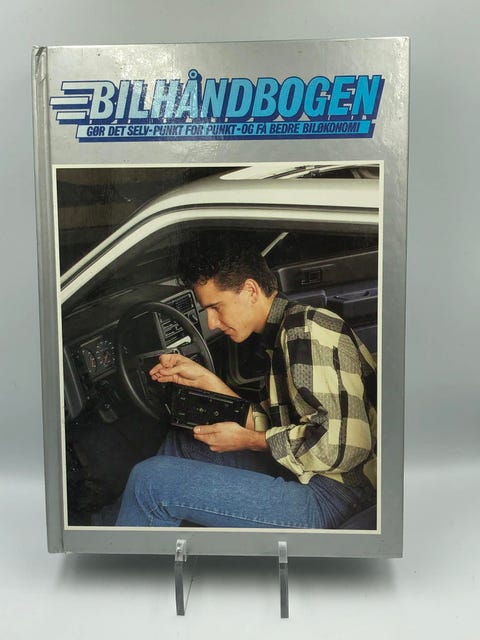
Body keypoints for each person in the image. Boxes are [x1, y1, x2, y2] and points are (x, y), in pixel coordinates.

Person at [115, 239, 377, 529]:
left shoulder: (305, 330)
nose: (211, 323)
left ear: (251, 290)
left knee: (151, 483)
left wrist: (251, 441)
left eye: (216, 307)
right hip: (316, 476)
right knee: (185, 444)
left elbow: (341, 448)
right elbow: (285, 425)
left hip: (337, 497)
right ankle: (115, 525)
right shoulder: (284, 332)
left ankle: (122, 544)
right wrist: (209, 382)